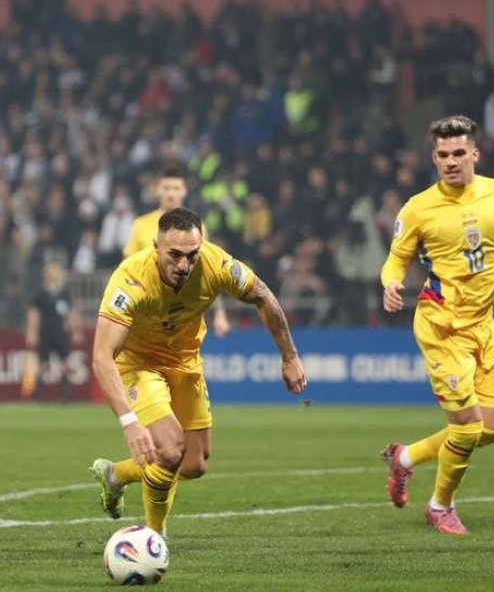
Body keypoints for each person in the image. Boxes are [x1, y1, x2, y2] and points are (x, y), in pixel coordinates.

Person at [90, 207, 307, 536]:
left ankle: (116, 475)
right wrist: (129, 421)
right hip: (139, 363)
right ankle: (155, 537)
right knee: (170, 449)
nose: (184, 265)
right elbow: (101, 356)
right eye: (174, 255)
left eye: (192, 255)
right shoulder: (130, 280)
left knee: (194, 464)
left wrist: (289, 357)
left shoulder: (216, 263)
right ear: (156, 247)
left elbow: (263, 296)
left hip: (186, 362)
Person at [380, 115, 494, 535]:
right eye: (443, 154)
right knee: (467, 427)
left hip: (483, 326)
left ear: (474, 154)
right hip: (440, 325)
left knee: (493, 429)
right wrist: (391, 283)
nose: (451, 161)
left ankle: (405, 458)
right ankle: (440, 505)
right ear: (434, 158)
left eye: (459, 152)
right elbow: (396, 259)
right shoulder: (418, 208)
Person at [124, 163, 232, 337]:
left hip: (185, 314)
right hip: (148, 312)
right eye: (166, 188)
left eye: (176, 188)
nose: (171, 193)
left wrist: (220, 313)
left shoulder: (197, 227)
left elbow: (207, 271)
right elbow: (128, 271)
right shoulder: (141, 225)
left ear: (184, 191)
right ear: (157, 190)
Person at [21, 261, 83, 402]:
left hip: (61, 332)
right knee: (43, 364)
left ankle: (67, 396)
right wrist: (32, 332)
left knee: (65, 363)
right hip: (45, 332)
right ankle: (37, 396)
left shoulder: (64, 293)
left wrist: (75, 330)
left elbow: (71, 313)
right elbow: (33, 314)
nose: (56, 275)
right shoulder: (40, 293)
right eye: (53, 272)